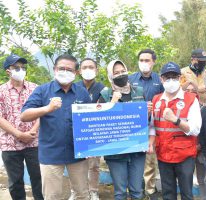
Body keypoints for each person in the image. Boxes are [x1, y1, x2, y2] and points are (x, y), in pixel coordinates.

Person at [20, 54, 91, 200]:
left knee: (82, 194)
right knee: (52, 196)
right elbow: (24, 115)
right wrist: (47, 108)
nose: (65, 72)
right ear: (54, 69)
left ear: (76, 73)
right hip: (51, 153)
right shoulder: (43, 90)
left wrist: (93, 145)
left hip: (78, 153)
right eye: (61, 68)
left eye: (69, 69)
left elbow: (91, 121)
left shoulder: (82, 92)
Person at [149, 62, 202, 200]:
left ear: (180, 78)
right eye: (167, 77)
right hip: (163, 154)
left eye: (174, 77)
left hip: (184, 156)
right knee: (168, 194)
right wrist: (150, 142)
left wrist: (176, 120)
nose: (171, 80)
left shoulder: (191, 99)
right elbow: (153, 127)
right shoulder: (156, 100)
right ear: (161, 79)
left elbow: (195, 129)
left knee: (186, 194)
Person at [99, 59, 146, 200]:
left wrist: (148, 114)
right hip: (115, 152)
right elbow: (99, 122)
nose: (120, 74)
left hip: (137, 150)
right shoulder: (105, 94)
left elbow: (145, 120)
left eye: (122, 71)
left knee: (137, 191)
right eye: (116, 72)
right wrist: (112, 102)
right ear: (110, 75)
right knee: (120, 193)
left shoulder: (138, 91)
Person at [0, 54, 43, 200]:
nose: (21, 70)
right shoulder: (1, 91)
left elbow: (42, 112)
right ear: (8, 71)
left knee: (38, 178)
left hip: (34, 141)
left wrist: (33, 130)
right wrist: (18, 134)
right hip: (9, 143)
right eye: (16, 67)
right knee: (15, 182)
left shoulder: (35, 88)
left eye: (23, 67)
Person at [129, 49, 164, 200]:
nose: (144, 63)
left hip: (153, 125)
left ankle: (150, 189)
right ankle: (136, 187)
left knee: (150, 159)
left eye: (147, 60)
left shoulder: (159, 80)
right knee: (134, 158)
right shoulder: (131, 79)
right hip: (134, 125)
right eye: (141, 60)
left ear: (153, 62)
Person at [68, 58, 105, 200]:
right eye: (84, 67)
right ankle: (75, 190)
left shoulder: (103, 89)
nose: (88, 70)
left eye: (91, 67)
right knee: (75, 165)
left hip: (95, 132)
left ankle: (93, 190)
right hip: (76, 132)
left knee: (94, 165)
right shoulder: (73, 87)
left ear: (96, 70)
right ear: (79, 71)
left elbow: (105, 110)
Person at [181, 48, 206, 200]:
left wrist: (196, 88)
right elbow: (180, 91)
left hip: (205, 115)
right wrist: (199, 89)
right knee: (185, 173)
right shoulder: (182, 73)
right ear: (192, 59)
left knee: (202, 173)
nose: (201, 64)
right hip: (186, 117)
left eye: (204, 62)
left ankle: (204, 198)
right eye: (199, 61)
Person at [182, 80, 206, 200]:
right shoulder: (180, 109)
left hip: (200, 149)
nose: (190, 93)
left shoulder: (204, 108)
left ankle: (204, 198)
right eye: (187, 91)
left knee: (202, 179)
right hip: (186, 150)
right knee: (186, 178)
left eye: (193, 91)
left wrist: (199, 146)